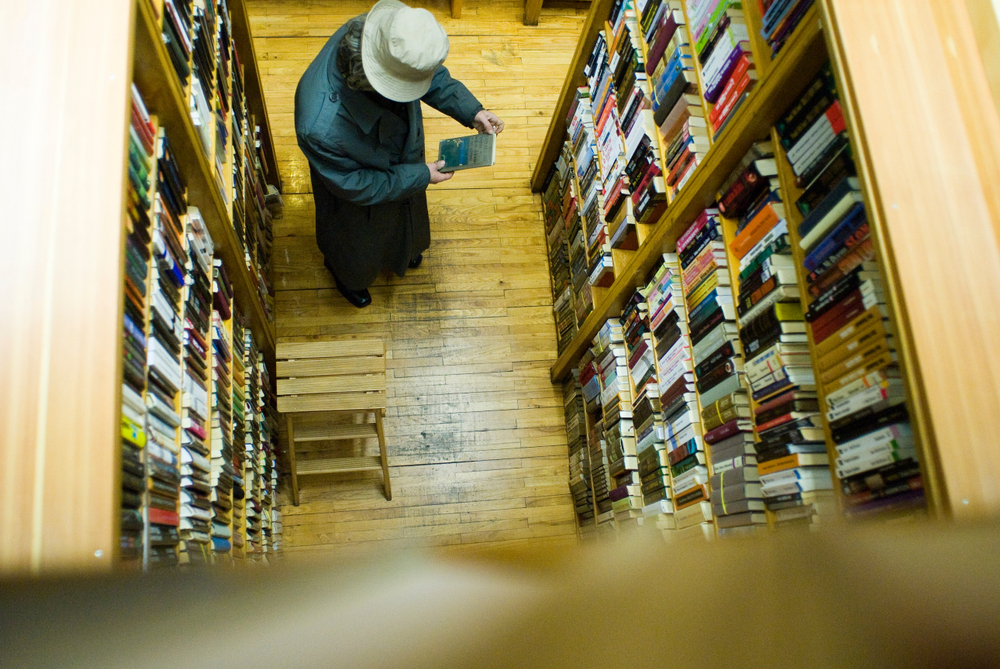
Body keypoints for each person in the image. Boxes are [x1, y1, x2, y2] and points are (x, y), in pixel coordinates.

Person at [294, 0, 504, 308]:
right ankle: (347, 278)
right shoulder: (318, 126)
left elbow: (424, 73)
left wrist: (472, 111)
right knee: (356, 248)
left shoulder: (385, 35)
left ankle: (404, 251)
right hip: (356, 203)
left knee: (406, 221)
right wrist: (420, 175)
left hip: (402, 163)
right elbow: (356, 185)